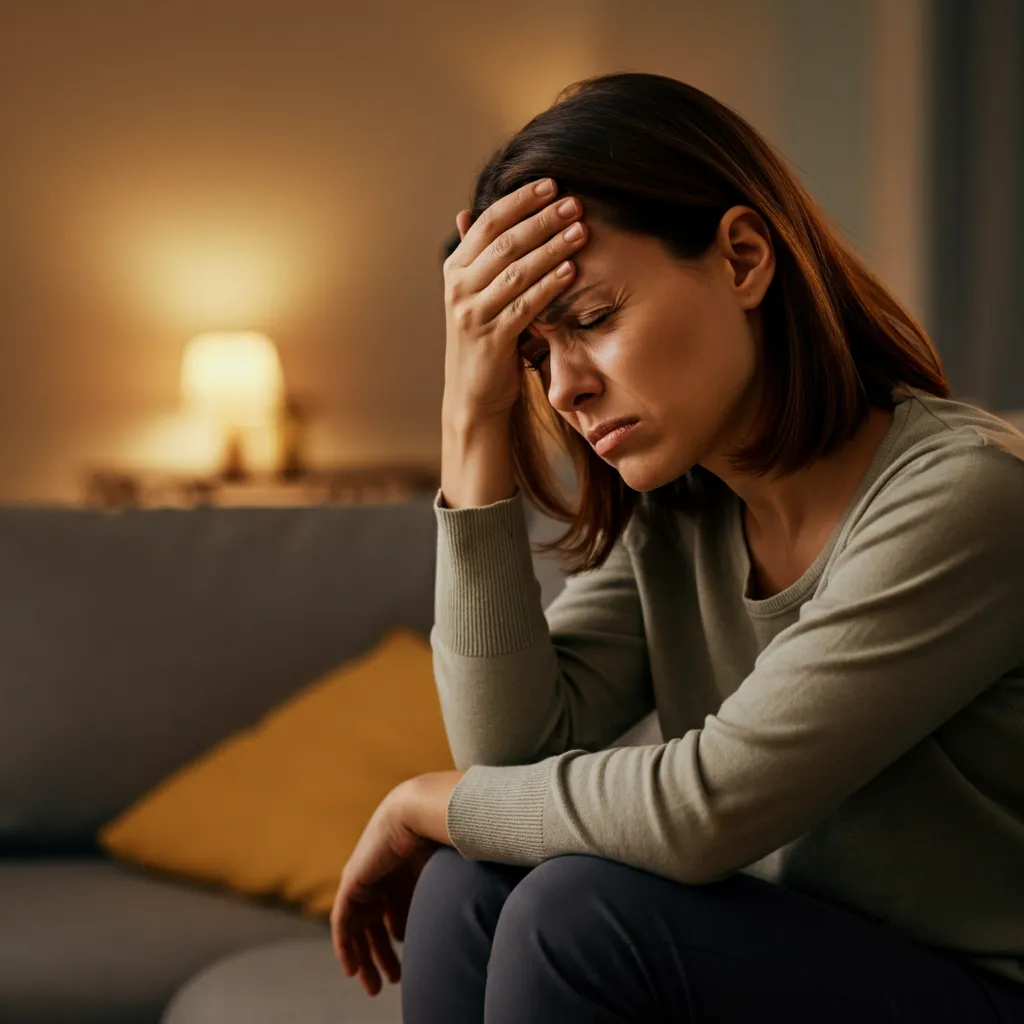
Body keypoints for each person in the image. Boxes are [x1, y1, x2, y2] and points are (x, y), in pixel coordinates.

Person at [329, 72, 1024, 1021]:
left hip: (979, 994)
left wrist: (425, 801)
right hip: (792, 969)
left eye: (594, 320)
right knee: (468, 882)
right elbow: (508, 755)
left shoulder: (967, 496)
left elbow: (708, 808)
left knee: (576, 914)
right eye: (537, 356)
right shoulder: (684, 514)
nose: (565, 391)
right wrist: (471, 413)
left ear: (742, 258)